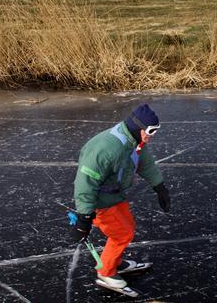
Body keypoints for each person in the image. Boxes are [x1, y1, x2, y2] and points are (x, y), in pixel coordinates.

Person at [68, 103, 170, 295]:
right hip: (100, 202)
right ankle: (105, 272)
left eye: (156, 130)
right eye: (150, 130)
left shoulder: (134, 141)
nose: (152, 135)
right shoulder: (107, 149)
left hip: (115, 196)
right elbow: (84, 183)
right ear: (138, 127)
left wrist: (159, 187)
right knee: (121, 234)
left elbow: (144, 162)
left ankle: (114, 261)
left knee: (127, 228)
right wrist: (83, 219)